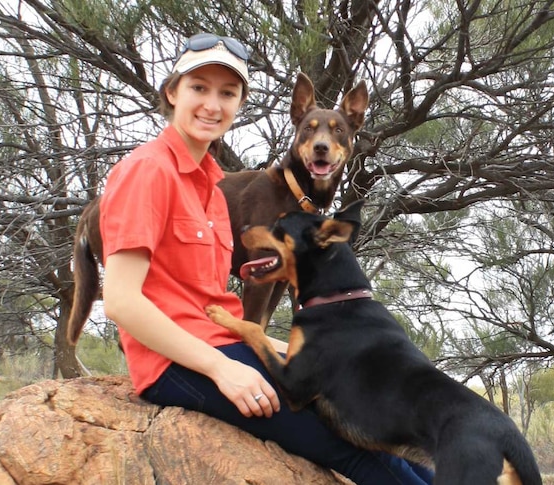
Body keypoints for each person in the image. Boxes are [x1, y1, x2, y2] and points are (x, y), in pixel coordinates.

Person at [100, 32, 434, 485]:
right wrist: (223, 369)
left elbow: (208, 303)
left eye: (227, 93)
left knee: (399, 432)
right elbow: (121, 302)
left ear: (239, 104)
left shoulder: (212, 187)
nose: (212, 105)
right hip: (176, 363)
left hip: (222, 340)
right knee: (356, 449)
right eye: (199, 88)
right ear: (173, 92)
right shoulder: (147, 171)